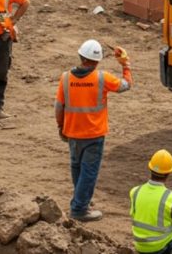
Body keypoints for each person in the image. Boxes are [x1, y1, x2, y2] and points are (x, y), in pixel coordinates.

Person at [55, 39, 132, 222]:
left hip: (72, 132)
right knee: (89, 172)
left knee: (77, 168)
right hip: (94, 135)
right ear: (96, 61)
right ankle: (80, 209)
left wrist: (61, 127)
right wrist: (125, 65)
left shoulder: (65, 77)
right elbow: (125, 85)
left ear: (81, 56)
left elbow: (59, 107)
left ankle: (81, 200)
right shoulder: (102, 78)